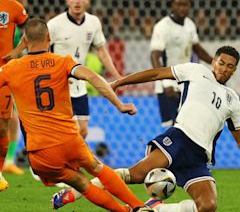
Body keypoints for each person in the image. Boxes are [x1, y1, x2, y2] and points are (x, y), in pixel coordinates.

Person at [56, 46, 240, 212]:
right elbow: (155, 74)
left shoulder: (233, 99)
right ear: (213, 61)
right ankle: (73, 193)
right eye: (221, 62)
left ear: (234, 70)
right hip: (178, 140)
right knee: (134, 174)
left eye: (230, 66)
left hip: (198, 157)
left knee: (208, 206)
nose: (223, 68)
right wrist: (120, 82)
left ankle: (157, 208)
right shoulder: (196, 71)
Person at [0, 18, 154, 212]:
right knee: (99, 169)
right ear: (48, 37)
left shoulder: (10, 69)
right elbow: (92, 76)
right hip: (69, 141)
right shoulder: (63, 62)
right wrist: (119, 104)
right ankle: (138, 206)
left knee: (82, 184)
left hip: (41, 151)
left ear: (25, 39)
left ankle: (124, 211)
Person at [47, 0, 122, 139]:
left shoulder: (93, 22)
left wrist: (117, 76)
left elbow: (101, 51)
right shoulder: (54, 25)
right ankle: (60, 162)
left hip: (79, 83)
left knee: (83, 131)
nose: (77, 1)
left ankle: (69, 162)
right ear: (67, 0)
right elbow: (42, 51)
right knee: (68, 130)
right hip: (59, 84)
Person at [150, 0, 212, 127]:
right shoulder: (162, 27)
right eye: (178, 4)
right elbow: (155, 56)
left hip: (185, 81)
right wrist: (165, 82)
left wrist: (214, 62)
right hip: (168, 84)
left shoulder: (190, 24)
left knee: (186, 124)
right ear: (172, 5)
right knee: (176, 126)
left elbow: (197, 49)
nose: (182, 8)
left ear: (190, 6)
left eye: (185, 5)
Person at [0, 0, 28, 191]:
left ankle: (2, 168)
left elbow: (33, 29)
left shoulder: (12, 6)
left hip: (4, 71)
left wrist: (17, 50)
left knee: (3, 126)